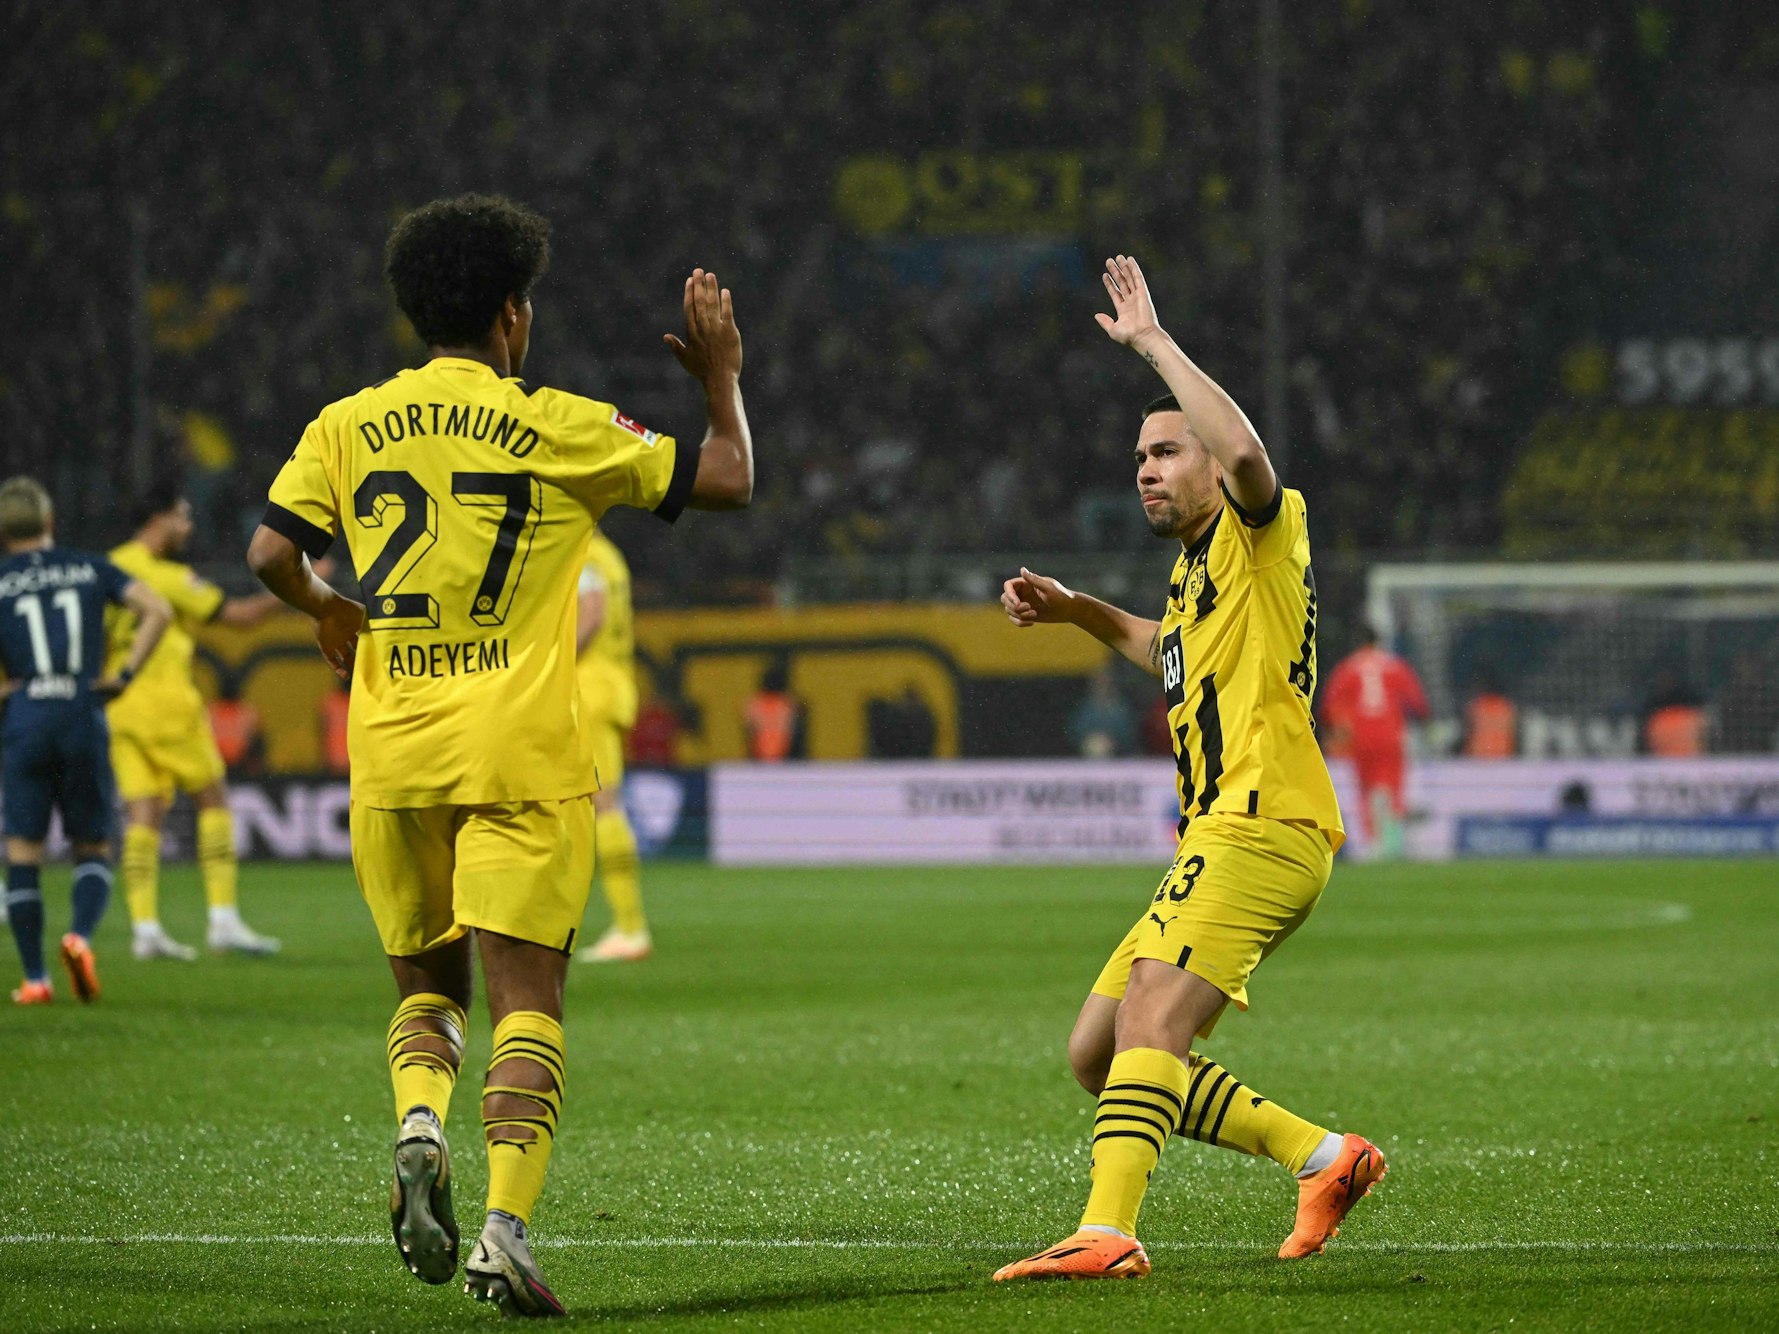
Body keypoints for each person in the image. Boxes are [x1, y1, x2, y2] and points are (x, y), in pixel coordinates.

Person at [245, 193, 753, 1317]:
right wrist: (720, 378)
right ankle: (504, 1234)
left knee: (430, 989)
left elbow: (271, 551)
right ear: (512, 315)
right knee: (529, 1001)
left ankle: (419, 1121)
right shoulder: (559, 421)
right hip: (520, 752)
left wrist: (329, 609)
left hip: (391, 753)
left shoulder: (345, 424)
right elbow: (728, 477)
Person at [992, 255, 1381, 1282]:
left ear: (1210, 461)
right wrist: (1079, 609)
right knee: (1097, 1052)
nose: (1146, 469)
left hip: (1263, 819)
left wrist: (1152, 344)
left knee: (1152, 1016)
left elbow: (1247, 449)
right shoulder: (1196, 572)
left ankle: (1108, 1230)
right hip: (1218, 829)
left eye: (1167, 450)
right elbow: (1164, 649)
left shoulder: (1262, 534)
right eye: (1139, 456)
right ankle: (1324, 1157)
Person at [0, 477, 172, 1003]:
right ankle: (78, 937)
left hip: (26, 716)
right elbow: (158, 610)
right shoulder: (89, 567)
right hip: (81, 710)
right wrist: (124, 675)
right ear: (50, 521)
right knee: (92, 847)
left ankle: (35, 979)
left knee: (23, 853)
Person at [106, 482, 287, 959]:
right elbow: (241, 616)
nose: (188, 526)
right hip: (168, 705)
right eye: (182, 516)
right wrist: (294, 585)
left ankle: (145, 929)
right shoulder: (168, 577)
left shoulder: (109, 567)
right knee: (214, 801)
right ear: (158, 519)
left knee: (143, 814)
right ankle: (223, 920)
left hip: (120, 707)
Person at [572, 526, 652, 964]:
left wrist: (553, 664)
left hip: (590, 688)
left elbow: (593, 612)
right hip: (614, 682)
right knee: (594, 805)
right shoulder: (611, 554)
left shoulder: (582, 551)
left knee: (603, 804)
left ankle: (630, 926)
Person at [1319, 625, 1428, 859]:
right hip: (1390, 736)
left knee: (1367, 790)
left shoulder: (1348, 668)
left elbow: (1329, 705)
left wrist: (1340, 729)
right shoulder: (1394, 666)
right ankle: (1394, 843)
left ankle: (1373, 843)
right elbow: (1418, 702)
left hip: (1361, 738)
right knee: (1392, 788)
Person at [1069, 663, 1138, 758]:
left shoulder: (1121, 706)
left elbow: (1129, 731)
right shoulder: (1085, 706)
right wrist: (1090, 739)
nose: (1102, 684)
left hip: (1118, 755)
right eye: (1099, 681)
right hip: (1088, 751)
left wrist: (1112, 740)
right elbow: (1075, 730)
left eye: (1106, 681)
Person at [744, 660, 804, 761]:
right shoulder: (755, 705)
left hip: (785, 758)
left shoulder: (787, 704)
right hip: (760, 757)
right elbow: (751, 733)